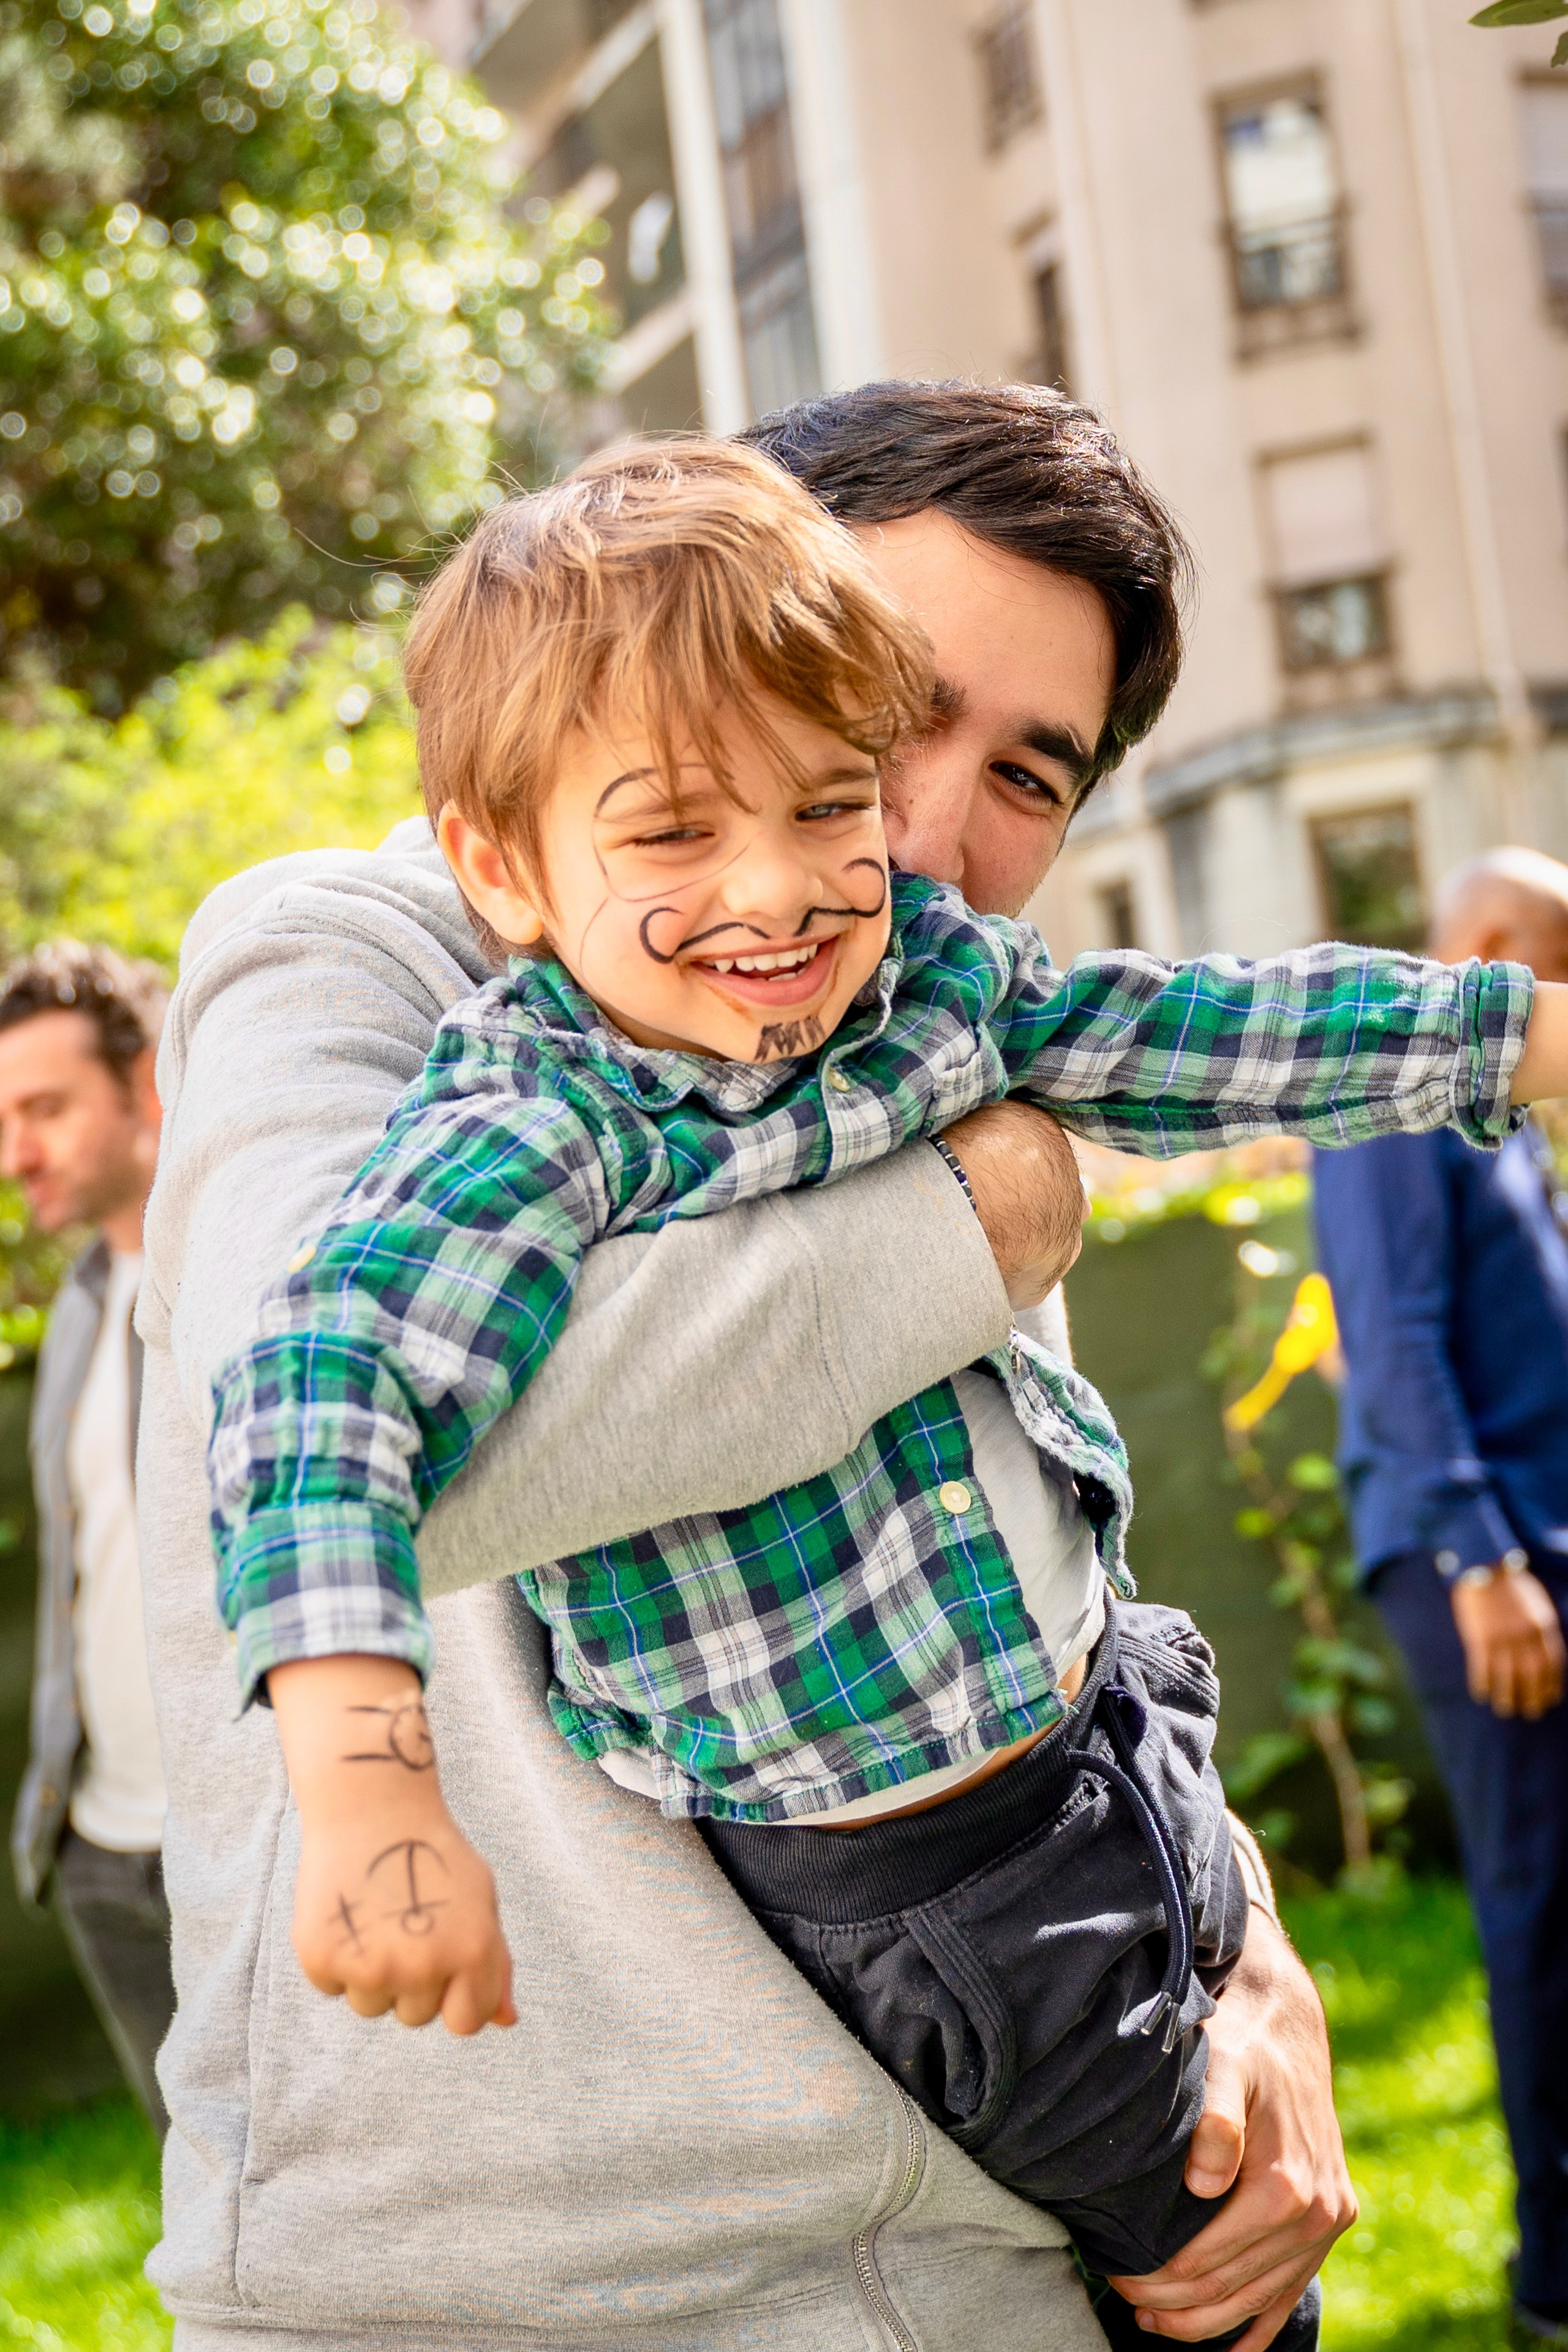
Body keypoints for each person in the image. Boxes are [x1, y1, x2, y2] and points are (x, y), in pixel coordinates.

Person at [205, 439, 1562, 2348]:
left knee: (1238, 2207)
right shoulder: (496, 1079)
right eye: (680, 824)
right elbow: (315, 1399)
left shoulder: (911, 980)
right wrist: (366, 1783)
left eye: (838, 790)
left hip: (1111, 1731)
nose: (796, 876)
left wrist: (1531, 1036)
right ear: (500, 863)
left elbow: (1216, 1028)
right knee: (1215, 2283)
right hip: (907, 1883)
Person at [1314, 846, 1568, 2350]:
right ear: (1487, 945)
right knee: (1538, 1897)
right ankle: (1552, 2284)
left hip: (1532, 1538)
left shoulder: (1496, 1114)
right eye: (1552, 969)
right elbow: (1394, 1337)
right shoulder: (1394, 1086)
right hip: (1477, 1562)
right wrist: (1479, 1559)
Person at [2, 941, 173, 2138]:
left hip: (247, 1837)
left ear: (147, 1086)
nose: (16, 1155)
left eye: (46, 1110)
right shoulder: (70, 1313)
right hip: (102, 1844)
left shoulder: (246, 1278)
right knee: (202, 2219)